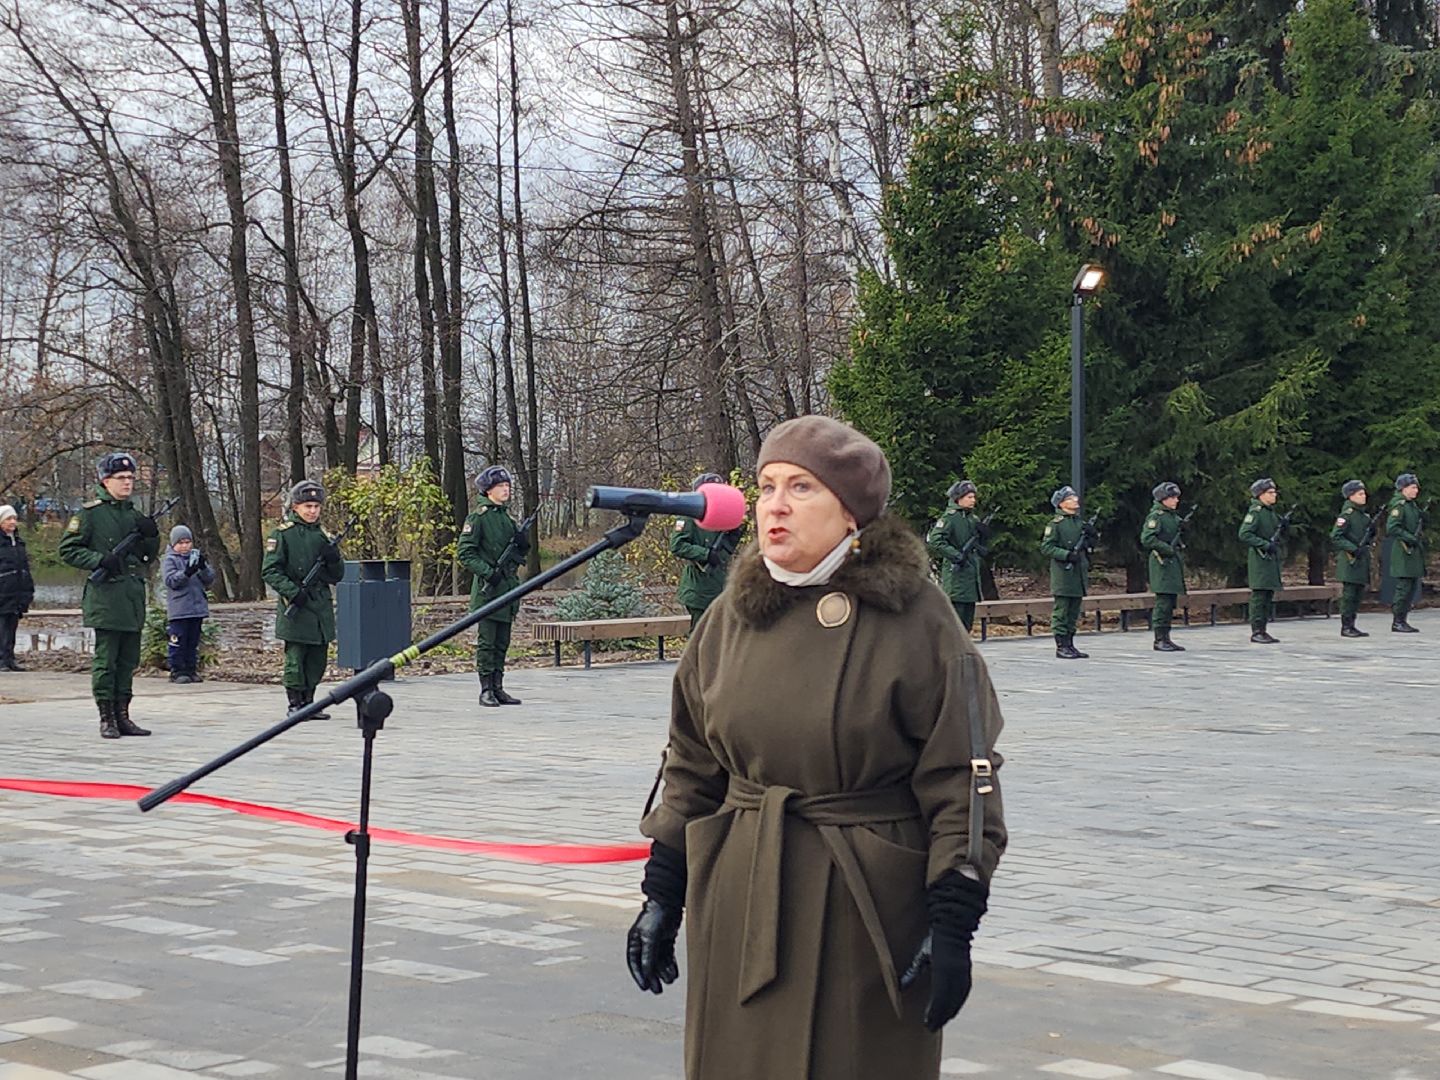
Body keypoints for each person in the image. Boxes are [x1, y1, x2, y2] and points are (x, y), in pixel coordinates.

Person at [626, 415, 1006, 1080]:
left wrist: (954, 915)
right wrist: (664, 889)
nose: (774, 505)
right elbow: (691, 761)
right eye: (767, 485)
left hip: (865, 901)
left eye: (801, 488)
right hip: (744, 893)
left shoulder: (916, 616)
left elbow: (960, 774)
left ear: (852, 512)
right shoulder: (730, 615)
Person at [57, 452, 160, 739]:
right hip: (105, 597)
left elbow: (147, 556)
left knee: (128, 661)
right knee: (106, 661)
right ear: (106, 480)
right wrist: (99, 560)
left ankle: (123, 715)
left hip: (131, 597)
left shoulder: (134, 515)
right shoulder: (90, 514)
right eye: (121, 478)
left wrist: (151, 535)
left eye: (131, 478)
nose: (128, 483)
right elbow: (68, 550)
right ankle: (106, 717)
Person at [262, 480, 345, 714]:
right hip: (297, 605)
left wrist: (333, 558)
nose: (312, 511)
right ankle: (295, 703)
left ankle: (310, 703)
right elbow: (270, 570)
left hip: (319, 606)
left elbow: (336, 576)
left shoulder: (322, 535)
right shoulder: (283, 535)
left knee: (317, 659)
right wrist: (292, 592)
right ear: (295, 507)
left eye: (316, 506)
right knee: (296, 659)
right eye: (307, 506)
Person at [458, 465, 529, 707]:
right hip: (489, 591)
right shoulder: (478, 517)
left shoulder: (508, 518)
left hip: (508, 589)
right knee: (487, 642)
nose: (506, 489)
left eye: (508, 486)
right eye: (501, 486)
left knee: (502, 642)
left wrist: (523, 543)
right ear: (488, 491)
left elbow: (520, 553)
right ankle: (485, 689)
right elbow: (465, 553)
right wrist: (489, 573)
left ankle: (499, 687)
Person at [669, 472, 744, 630]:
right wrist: (706, 554)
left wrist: (734, 533)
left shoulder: (722, 516)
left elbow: (725, 551)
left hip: (719, 585)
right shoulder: (690, 516)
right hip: (699, 588)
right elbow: (677, 545)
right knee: (701, 635)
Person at [926, 480, 989, 633]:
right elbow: (935, 540)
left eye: (974, 497)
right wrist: (956, 555)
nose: (973, 500)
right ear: (958, 498)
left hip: (970, 576)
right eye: (969, 497)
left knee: (967, 622)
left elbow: (979, 547)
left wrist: (984, 537)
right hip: (957, 577)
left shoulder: (972, 519)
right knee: (956, 623)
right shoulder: (950, 518)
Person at [1040, 486, 1093, 659]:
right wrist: (1067, 555)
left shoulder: (1079, 522)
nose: (1075, 500)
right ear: (1062, 503)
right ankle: (1061, 645)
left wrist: (1091, 538)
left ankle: (1070, 643)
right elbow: (1047, 547)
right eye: (1071, 498)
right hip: (1063, 573)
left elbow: (1087, 544)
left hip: (1078, 573)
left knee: (1073, 611)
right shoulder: (1056, 524)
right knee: (1062, 610)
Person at [162, 525, 216, 683]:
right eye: (181, 543)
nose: (185, 546)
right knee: (178, 641)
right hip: (179, 610)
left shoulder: (195, 557)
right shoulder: (170, 560)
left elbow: (209, 579)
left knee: (193, 641)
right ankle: (177, 671)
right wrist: (186, 573)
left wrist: (203, 567)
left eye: (187, 542)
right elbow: (171, 581)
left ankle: (191, 669)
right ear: (173, 544)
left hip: (196, 609)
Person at [1139, 482, 1187, 653]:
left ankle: (1166, 637)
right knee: (1163, 602)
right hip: (1162, 562)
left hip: (1172, 563)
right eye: (1172, 497)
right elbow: (1147, 539)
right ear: (1163, 499)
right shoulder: (1156, 516)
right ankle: (1159, 638)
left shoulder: (1172, 516)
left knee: (1170, 601)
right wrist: (1167, 548)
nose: (1176, 500)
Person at [1237, 478, 1284, 644]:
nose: (1274, 495)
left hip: (1270, 559)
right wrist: (1264, 544)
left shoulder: (1269, 512)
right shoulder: (1255, 512)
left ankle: (1263, 629)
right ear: (1260, 495)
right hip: (1260, 559)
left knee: (1267, 595)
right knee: (1259, 595)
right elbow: (1245, 534)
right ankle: (1257, 630)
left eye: (1274, 492)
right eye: (1270, 493)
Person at [1328, 480, 1373, 638]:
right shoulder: (1347, 515)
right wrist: (1353, 548)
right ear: (1351, 496)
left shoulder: (1363, 516)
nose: (1364, 496)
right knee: (1349, 595)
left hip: (1360, 559)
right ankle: (1346, 626)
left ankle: (1352, 624)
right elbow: (1336, 536)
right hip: (1350, 560)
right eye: (1360, 494)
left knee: (1358, 594)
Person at [1386, 472, 1425, 633]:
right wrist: (1410, 538)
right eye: (1413, 487)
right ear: (1403, 489)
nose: (1416, 490)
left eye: (1416, 487)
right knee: (1404, 587)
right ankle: (1398, 620)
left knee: (1411, 587)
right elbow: (1392, 527)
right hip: (1404, 550)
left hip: (1412, 551)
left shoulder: (1411, 506)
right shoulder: (1399, 505)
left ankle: (1403, 619)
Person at [0, 505, 35, 671]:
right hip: (2, 591)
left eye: (14, 518)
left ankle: (10, 658)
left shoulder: (19, 543)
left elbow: (25, 568)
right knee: (1, 627)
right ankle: (1, 660)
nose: (13, 522)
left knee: (12, 626)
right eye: (8, 519)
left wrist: (28, 591)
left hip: (17, 591)